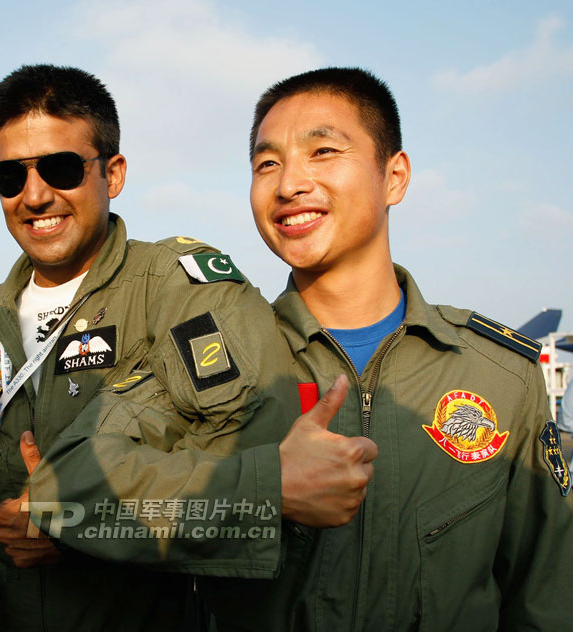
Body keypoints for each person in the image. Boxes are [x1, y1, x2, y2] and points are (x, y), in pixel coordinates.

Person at [39, 67, 573, 630]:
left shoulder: (500, 376)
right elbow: (61, 490)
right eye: (267, 164)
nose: (289, 183)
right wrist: (266, 488)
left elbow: (547, 599)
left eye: (323, 151)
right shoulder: (217, 353)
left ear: (394, 177)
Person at [0, 64, 375, 631]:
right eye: (10, 177)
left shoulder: (181, 288)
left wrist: (77, 525)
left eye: (61, 168)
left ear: (113, 173)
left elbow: (252, 458)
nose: (36, 195)